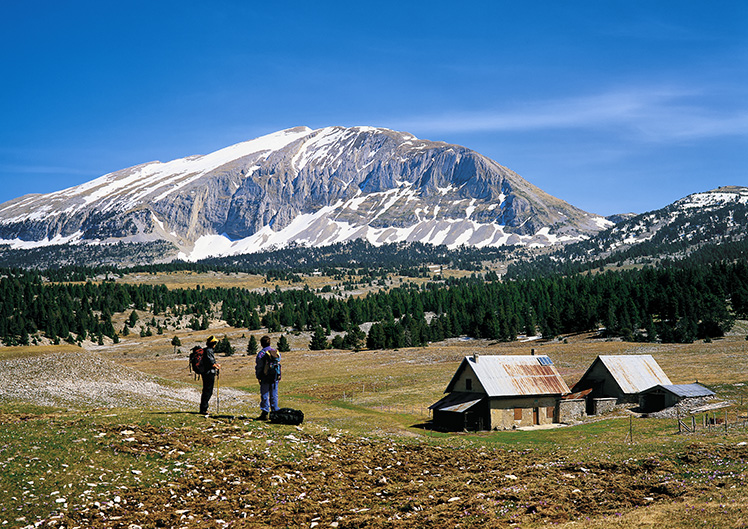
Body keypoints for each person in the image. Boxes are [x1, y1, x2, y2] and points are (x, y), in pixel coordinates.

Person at [255, 335, 281, 420]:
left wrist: (258, 377)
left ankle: (265, 412)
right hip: (275, 376)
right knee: (274, 394)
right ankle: (275, 412)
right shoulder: (276, 352)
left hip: (265, 377)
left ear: (261, 344)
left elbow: (259, 366)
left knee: (265, 394)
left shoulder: (261, 354)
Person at [199, 335, 221, 415]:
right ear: (213, 343)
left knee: (206, 390)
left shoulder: (206, 350)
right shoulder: (209, 351)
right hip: (209, 373)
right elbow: (211, 363)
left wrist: (215, 365)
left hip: (206, 373)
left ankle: (203, 408)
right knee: (208, 391)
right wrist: (217, 366)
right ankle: (204, 409)